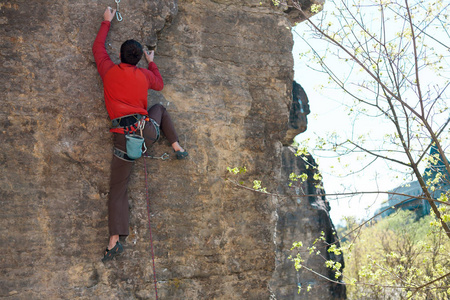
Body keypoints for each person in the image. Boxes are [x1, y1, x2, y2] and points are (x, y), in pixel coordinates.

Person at [93, 7, 188, 262]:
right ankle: (177, 146)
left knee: (118, 188)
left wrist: (106, 22)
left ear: (121, 56)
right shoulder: (144, 74)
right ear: (136, 60)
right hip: (147, 131)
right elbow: (159, 83)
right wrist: (151, 61)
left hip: (124, 138)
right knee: (159, 108)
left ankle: (114, 242)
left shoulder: (109, 71)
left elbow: (98, 49)